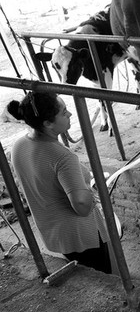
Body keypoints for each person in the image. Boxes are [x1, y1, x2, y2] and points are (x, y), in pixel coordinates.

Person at [7, 91, 112, 274]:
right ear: (48, 123)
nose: (70, 114)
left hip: (55, 233)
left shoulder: (18, 146)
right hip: (82, 236)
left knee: (82, 276)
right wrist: (91, 187)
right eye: (64, 112)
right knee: (103, 278)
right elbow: (82, 206)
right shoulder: (63, 157)